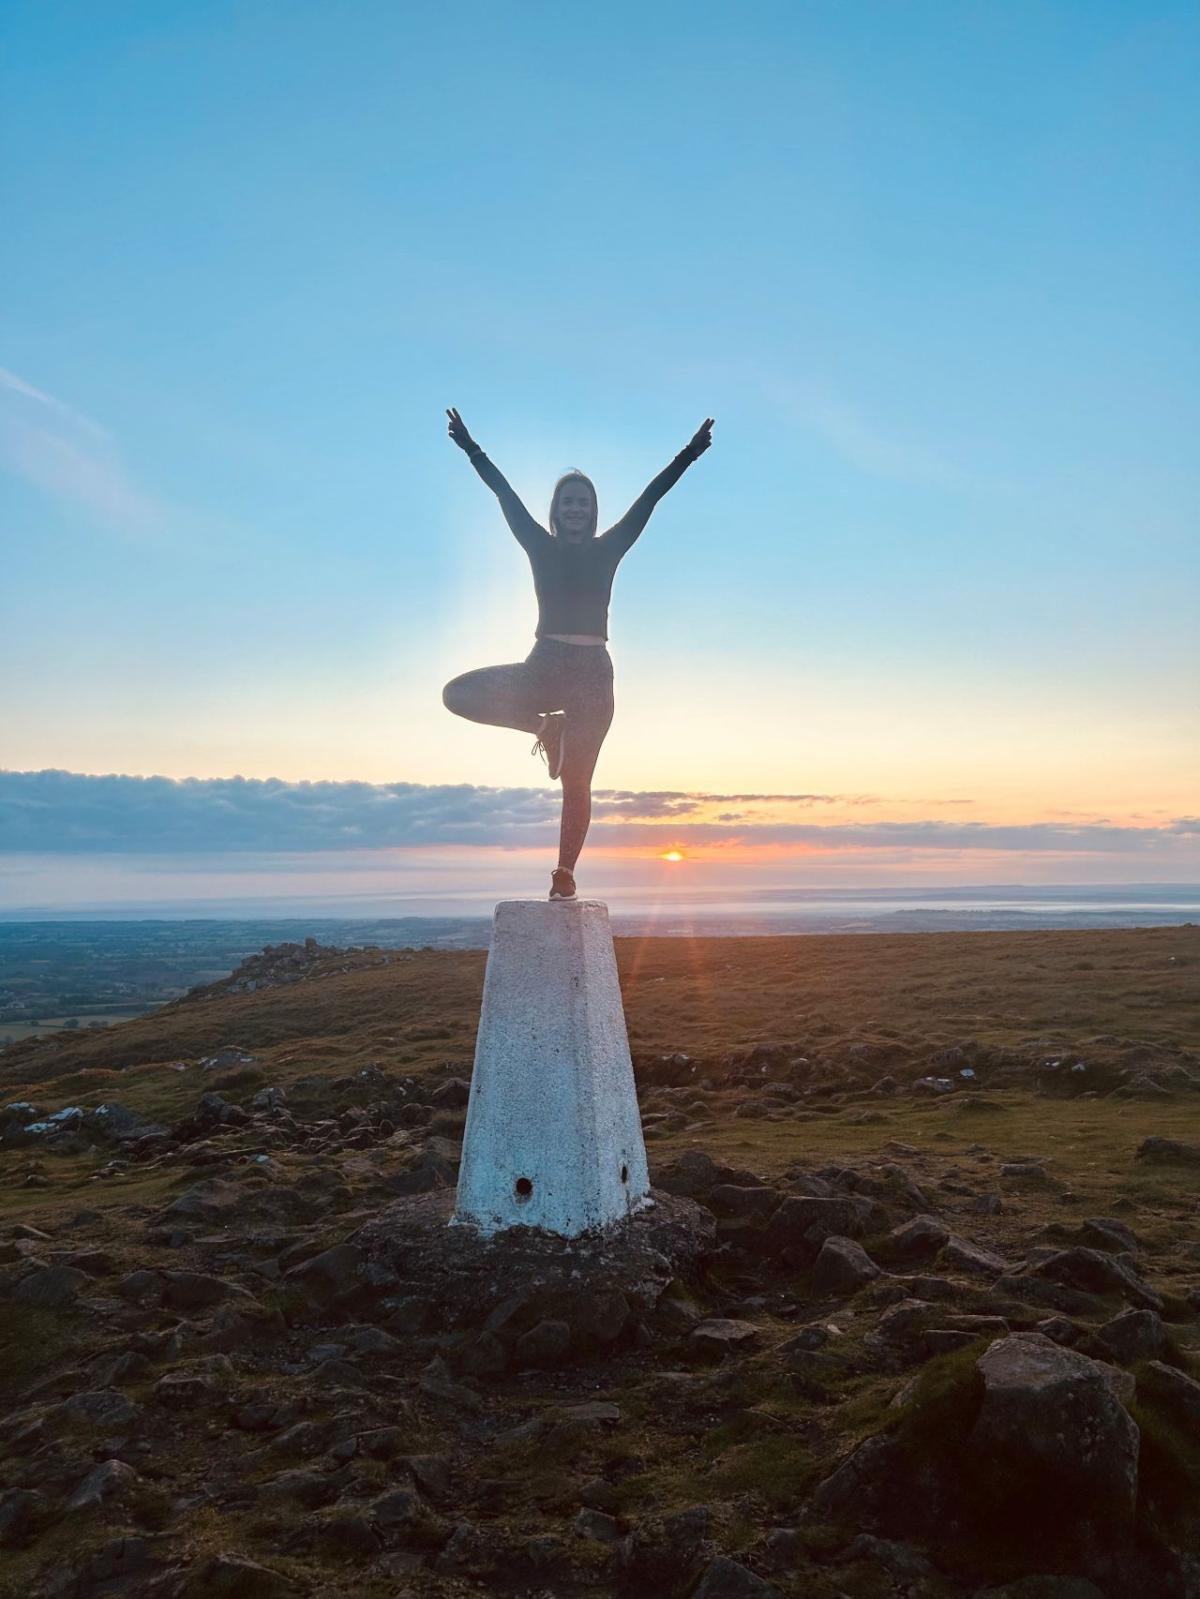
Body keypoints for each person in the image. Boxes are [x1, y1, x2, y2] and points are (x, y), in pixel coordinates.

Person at [442, 408, 714, 900]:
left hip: (593, 677)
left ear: (593, 511)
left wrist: (690, 454)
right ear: (556, 509)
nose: (575, 508)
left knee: (578, 781)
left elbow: (651, 497)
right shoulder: (538, 546)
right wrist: (471, 448)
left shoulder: (610, 547)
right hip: (544, 666)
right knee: (458, 694)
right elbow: (504, 494)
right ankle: (546, 727)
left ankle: (564, 873)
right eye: (567, 501)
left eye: (583, 502)